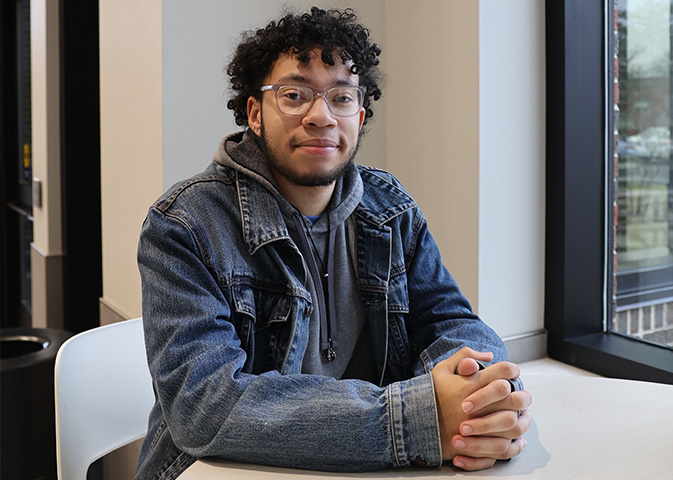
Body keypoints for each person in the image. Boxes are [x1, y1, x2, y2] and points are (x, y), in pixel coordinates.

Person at [135, 6, 531, 479]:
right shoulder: (185, 225)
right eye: (295, 94)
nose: (321, 116)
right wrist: (417, 419)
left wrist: (474, 398)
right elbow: (205, 407)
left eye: (341, 97)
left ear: (359, 117)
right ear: (255, 114)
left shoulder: (392, 210)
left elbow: (451, 320)